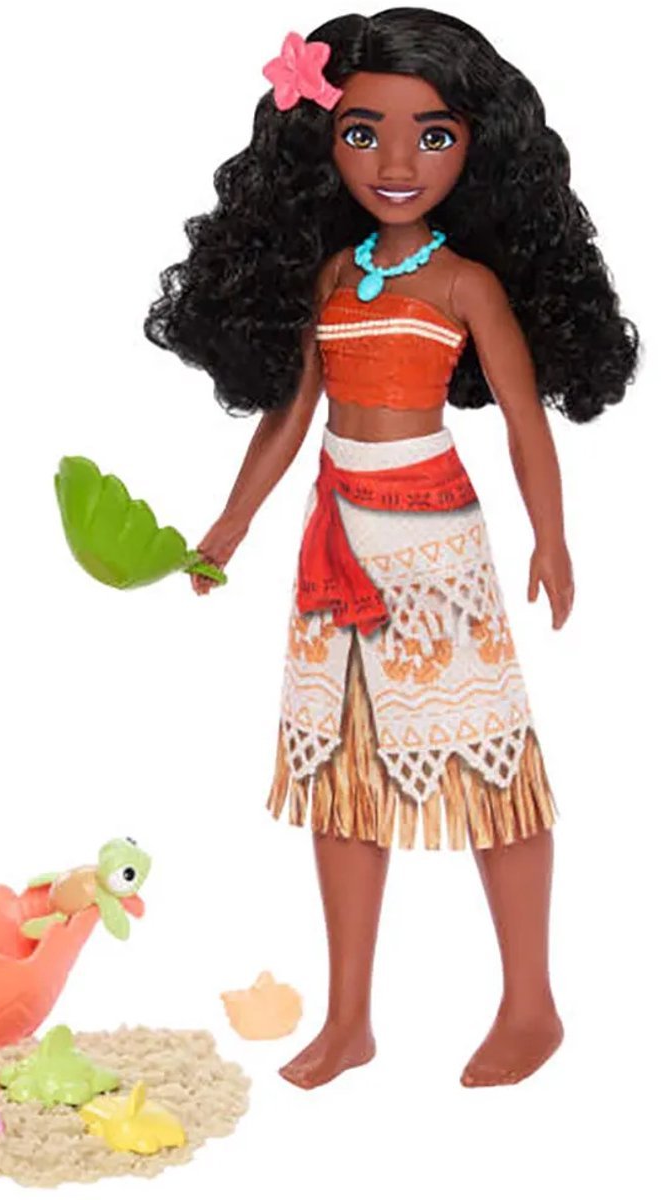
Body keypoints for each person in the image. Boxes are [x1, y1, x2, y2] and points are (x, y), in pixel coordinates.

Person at [143, 9, 638, 1089]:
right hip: (336, 539)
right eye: (363, 134)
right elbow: (288, 415)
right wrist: (229, 523)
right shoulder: (332, 278)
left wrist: (552, 538)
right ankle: (349, 1017)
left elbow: (524, 421)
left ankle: (531, 1004)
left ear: (477, 148)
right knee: (338, 770)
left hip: (433, 543)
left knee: (490, 760)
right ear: (320, 142)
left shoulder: (465, 285)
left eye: (434, 135)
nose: (398, 163)